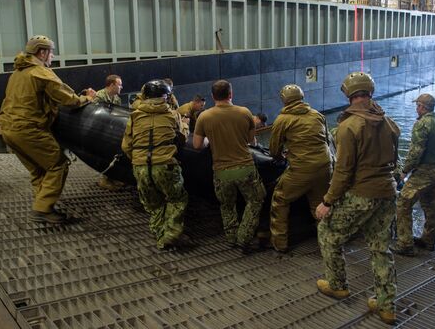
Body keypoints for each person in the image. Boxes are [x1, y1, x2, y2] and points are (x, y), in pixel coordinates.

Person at [315, 72, 400, 325]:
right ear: (369, 93)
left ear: (348, 95)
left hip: (362, 193)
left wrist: (327, 202)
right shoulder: (390, 122)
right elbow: (395, 161)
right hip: (387, 193)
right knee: (381, 248)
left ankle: (337, 284)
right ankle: (386, 306)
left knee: (327, 232)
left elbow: (343, 172)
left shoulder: (348, 127)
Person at [0, 35, 95, 224]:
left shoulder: (17, 73)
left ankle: (42, 205)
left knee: (38, 170)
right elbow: (70, 100)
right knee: (58, 164)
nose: (52, 56)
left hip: (8, 129)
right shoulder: (41, 73)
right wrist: (88, 98)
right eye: (51, 52)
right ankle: (42, 210)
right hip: (29, 129)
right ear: (42, 52)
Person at [193, 80, 266, 253]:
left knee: (227, 205)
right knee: (255, 200)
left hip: (221, 171)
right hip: (245, 169)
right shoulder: (245, 112)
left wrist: (210, 137)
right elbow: (251, 141)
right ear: (231, 94)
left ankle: (232, 238)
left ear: (212, 96)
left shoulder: (204, 116)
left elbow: (197, 144)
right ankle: (244, 237)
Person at [121, 79, 189, 250]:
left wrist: (138, 161)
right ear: (165, 96)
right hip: (165, 165)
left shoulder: (135, 115)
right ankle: (171, 235)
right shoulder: (173, 114)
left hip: (140, 166)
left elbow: (126, 146)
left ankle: (160, 233)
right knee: (177, 199)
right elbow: (182, 138)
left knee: (153, 203)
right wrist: (186, 128)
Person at [269, 85, 332, 253]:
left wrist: (281, 157)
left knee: (280, 200)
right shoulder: (317, 115)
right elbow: (327, 140)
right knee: (320, 206)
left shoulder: (282, 120)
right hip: (325, 167)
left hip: (300, 170)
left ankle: (280, 244)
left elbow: (274, 150)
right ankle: (327, 246)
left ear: (284, 100)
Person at [394, 93, 435, 255]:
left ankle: (405, 244)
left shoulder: (422, 124)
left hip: (424, 171)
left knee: (403, 203)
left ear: (422, 107)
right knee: (431, 208)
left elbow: (416, 151)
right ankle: (428, 241)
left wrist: (404, 171)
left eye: (418, 105)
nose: (416, 108)